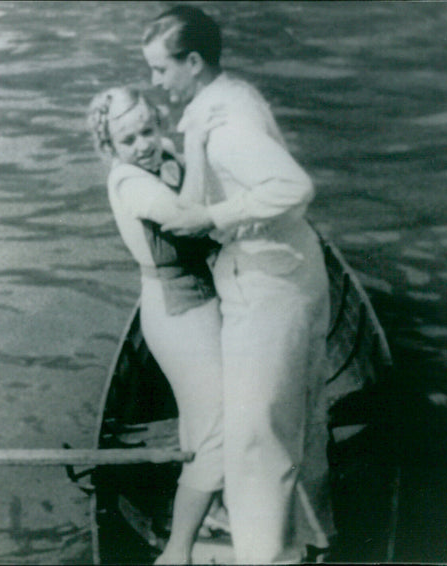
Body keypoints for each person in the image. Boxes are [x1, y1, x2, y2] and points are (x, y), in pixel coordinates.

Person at [141, 5, 333, 564]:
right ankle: (310, 538)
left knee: (254, 439)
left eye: (160, 70)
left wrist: (209, 218)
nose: (156, 82)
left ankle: (265, 557)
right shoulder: (229, 96)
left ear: (193, 63)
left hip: (269, 288)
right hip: (290, 271)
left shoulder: (225, 129)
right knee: (295, 419)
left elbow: (293, 186)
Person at [87, 86, 226, 564]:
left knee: (201, 420)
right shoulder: (130, 183)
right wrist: (197, 148)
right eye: (129, 140)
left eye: (149, 130)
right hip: (178, 314)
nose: (144, 144)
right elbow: (188, 216)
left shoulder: (158, 157)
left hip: (202, 302)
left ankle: (215, 509)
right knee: (217, 437)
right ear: (111, 150)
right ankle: (177, 552)